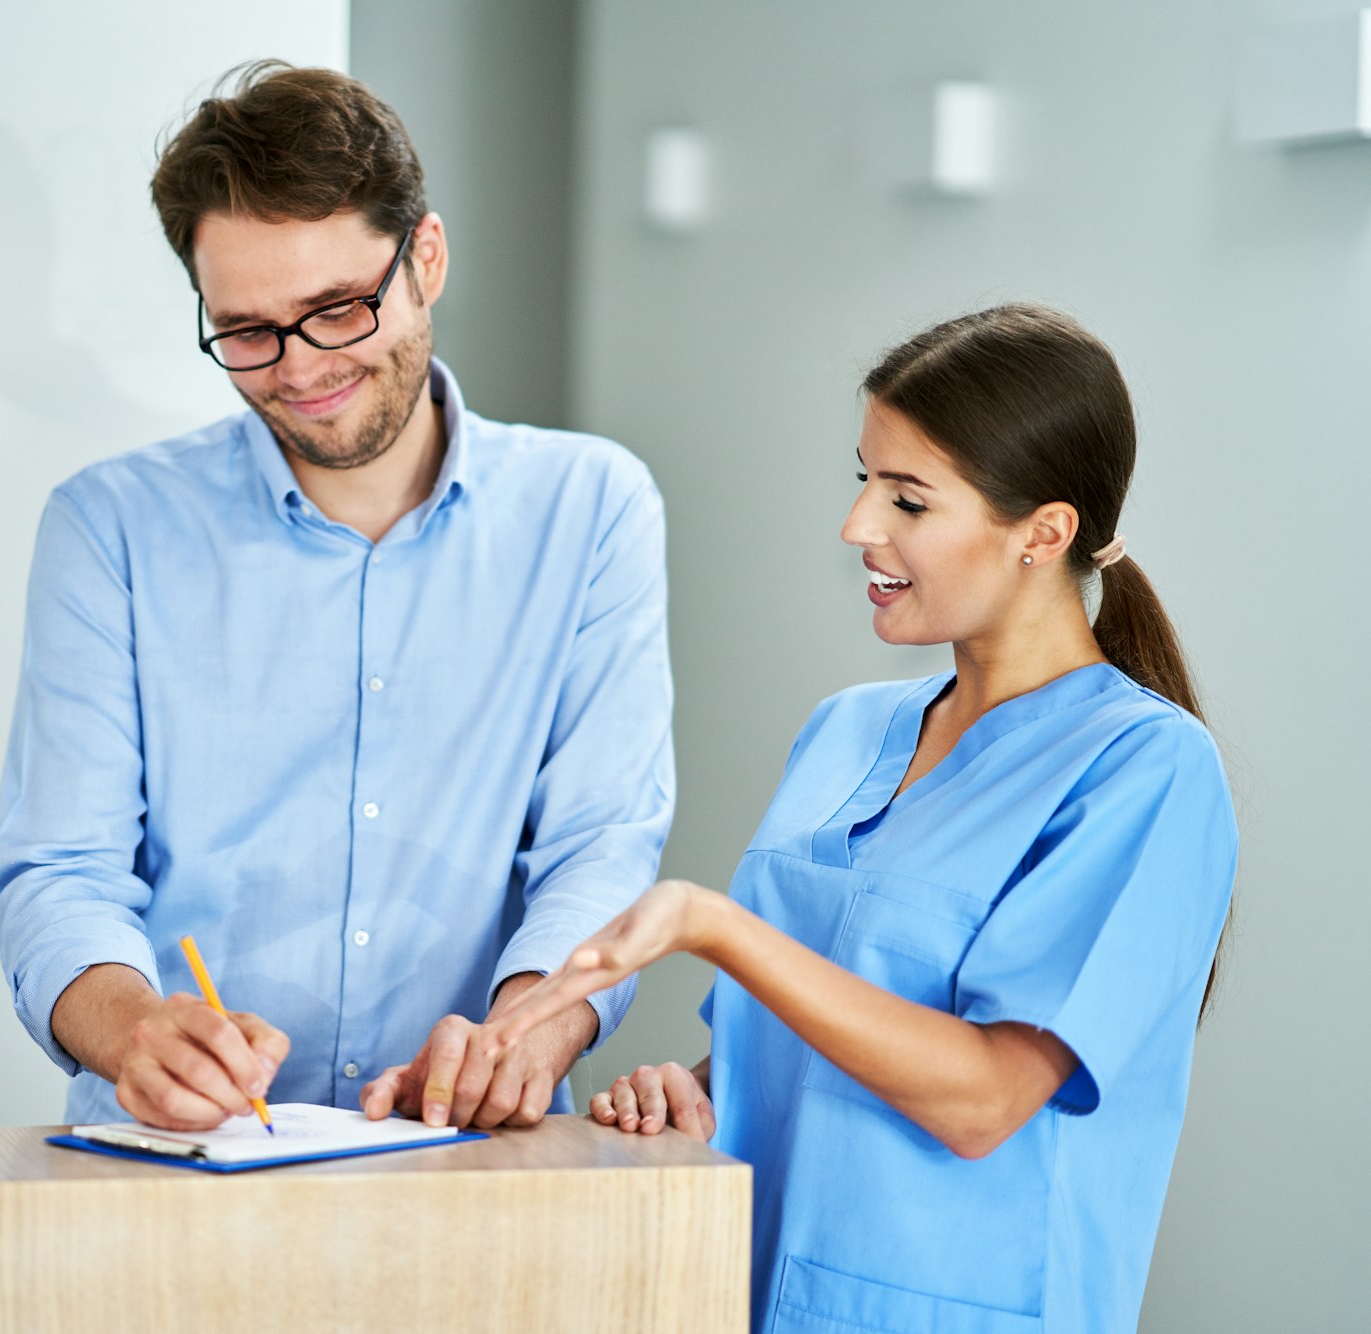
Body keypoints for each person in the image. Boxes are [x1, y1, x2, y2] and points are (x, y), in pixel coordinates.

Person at [481, 304, 1236, 1333]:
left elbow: (982, 1098)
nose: (856, 527)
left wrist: (715, 925)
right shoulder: (845, 731)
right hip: (738, 1295)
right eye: (862, 480)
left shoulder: (1144, 770)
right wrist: (694, 1088)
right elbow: (805, 1042)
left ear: (1042, 533)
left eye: (908, 499)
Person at [0, 62, 674, 1133]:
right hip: (179, 1161)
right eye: (247, 331)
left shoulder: (589, 508)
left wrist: (523, 1033)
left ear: (425, 259)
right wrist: (132, 1029)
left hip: (468, 1152)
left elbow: (600, 846)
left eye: (337, 311)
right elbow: (58, 870)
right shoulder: (108, 526)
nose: (298, 368)